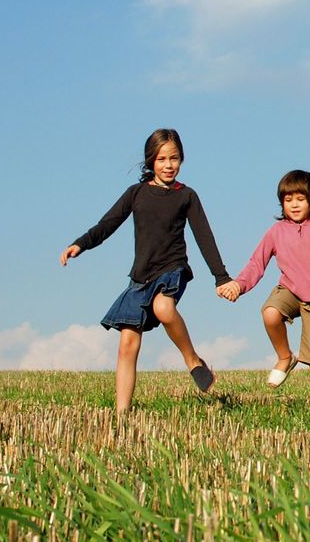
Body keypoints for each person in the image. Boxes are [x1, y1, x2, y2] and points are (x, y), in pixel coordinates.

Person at [59, 128, 232, 412]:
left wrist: (221, 276)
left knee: (164, 308)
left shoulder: (186, 196)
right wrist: (81, 244)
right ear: (151, 160)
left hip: (172, 269)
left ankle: (192, 360)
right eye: (162, 158)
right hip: (141, 277)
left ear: (182, 160)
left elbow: (204, 236)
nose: (168, 164)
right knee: (127, 344)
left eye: (174, 158)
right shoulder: (136, 193)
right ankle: (121, 413)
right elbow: (108, 223)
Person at [217, 170, 310, 412]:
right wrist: (238, 284)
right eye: (288, 200)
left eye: (300, 199)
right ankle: (285, 357)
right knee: (270, 312)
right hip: (289, 290)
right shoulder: (276, 231)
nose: (294, 205)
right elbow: (256, 263)